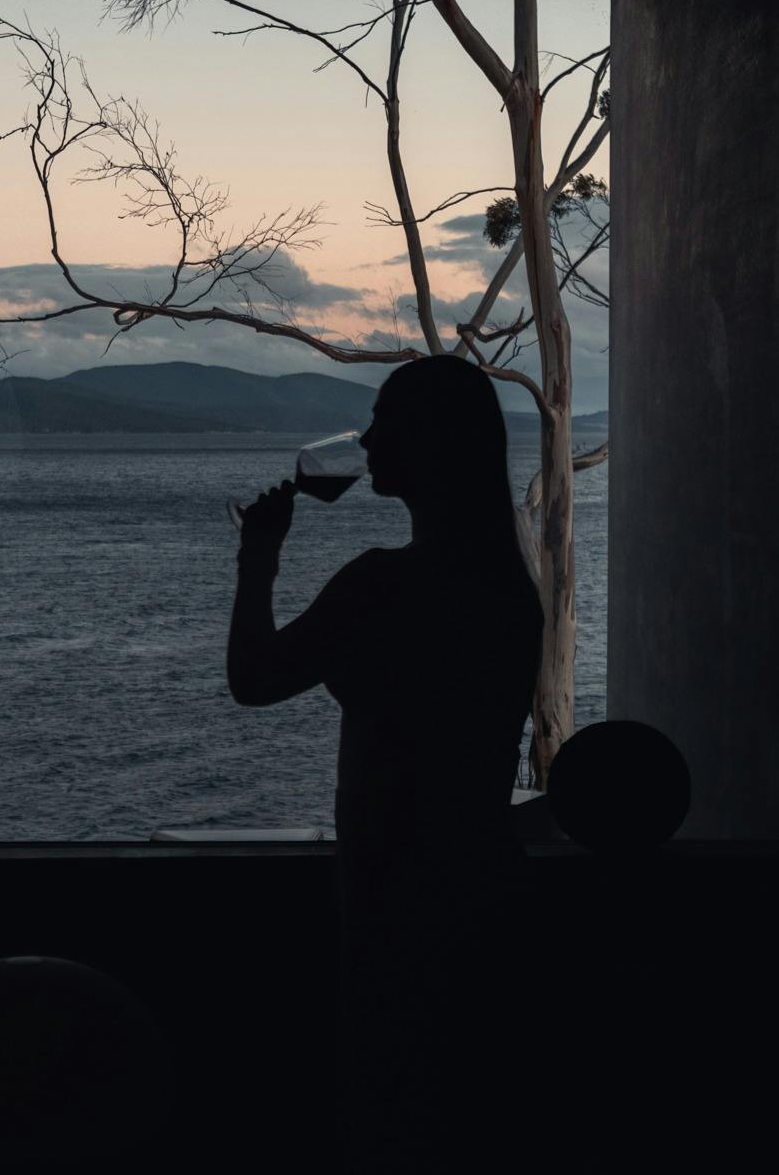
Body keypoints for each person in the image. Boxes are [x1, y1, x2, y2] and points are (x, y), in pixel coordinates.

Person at [226, 353, 543, 1168]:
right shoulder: (509, 589)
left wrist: (258, 555)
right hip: (486, 891)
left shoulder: (382, 586)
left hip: (394, 906)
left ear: (431, 442)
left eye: (385, 421)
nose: (366, 440)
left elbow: (254, 679)